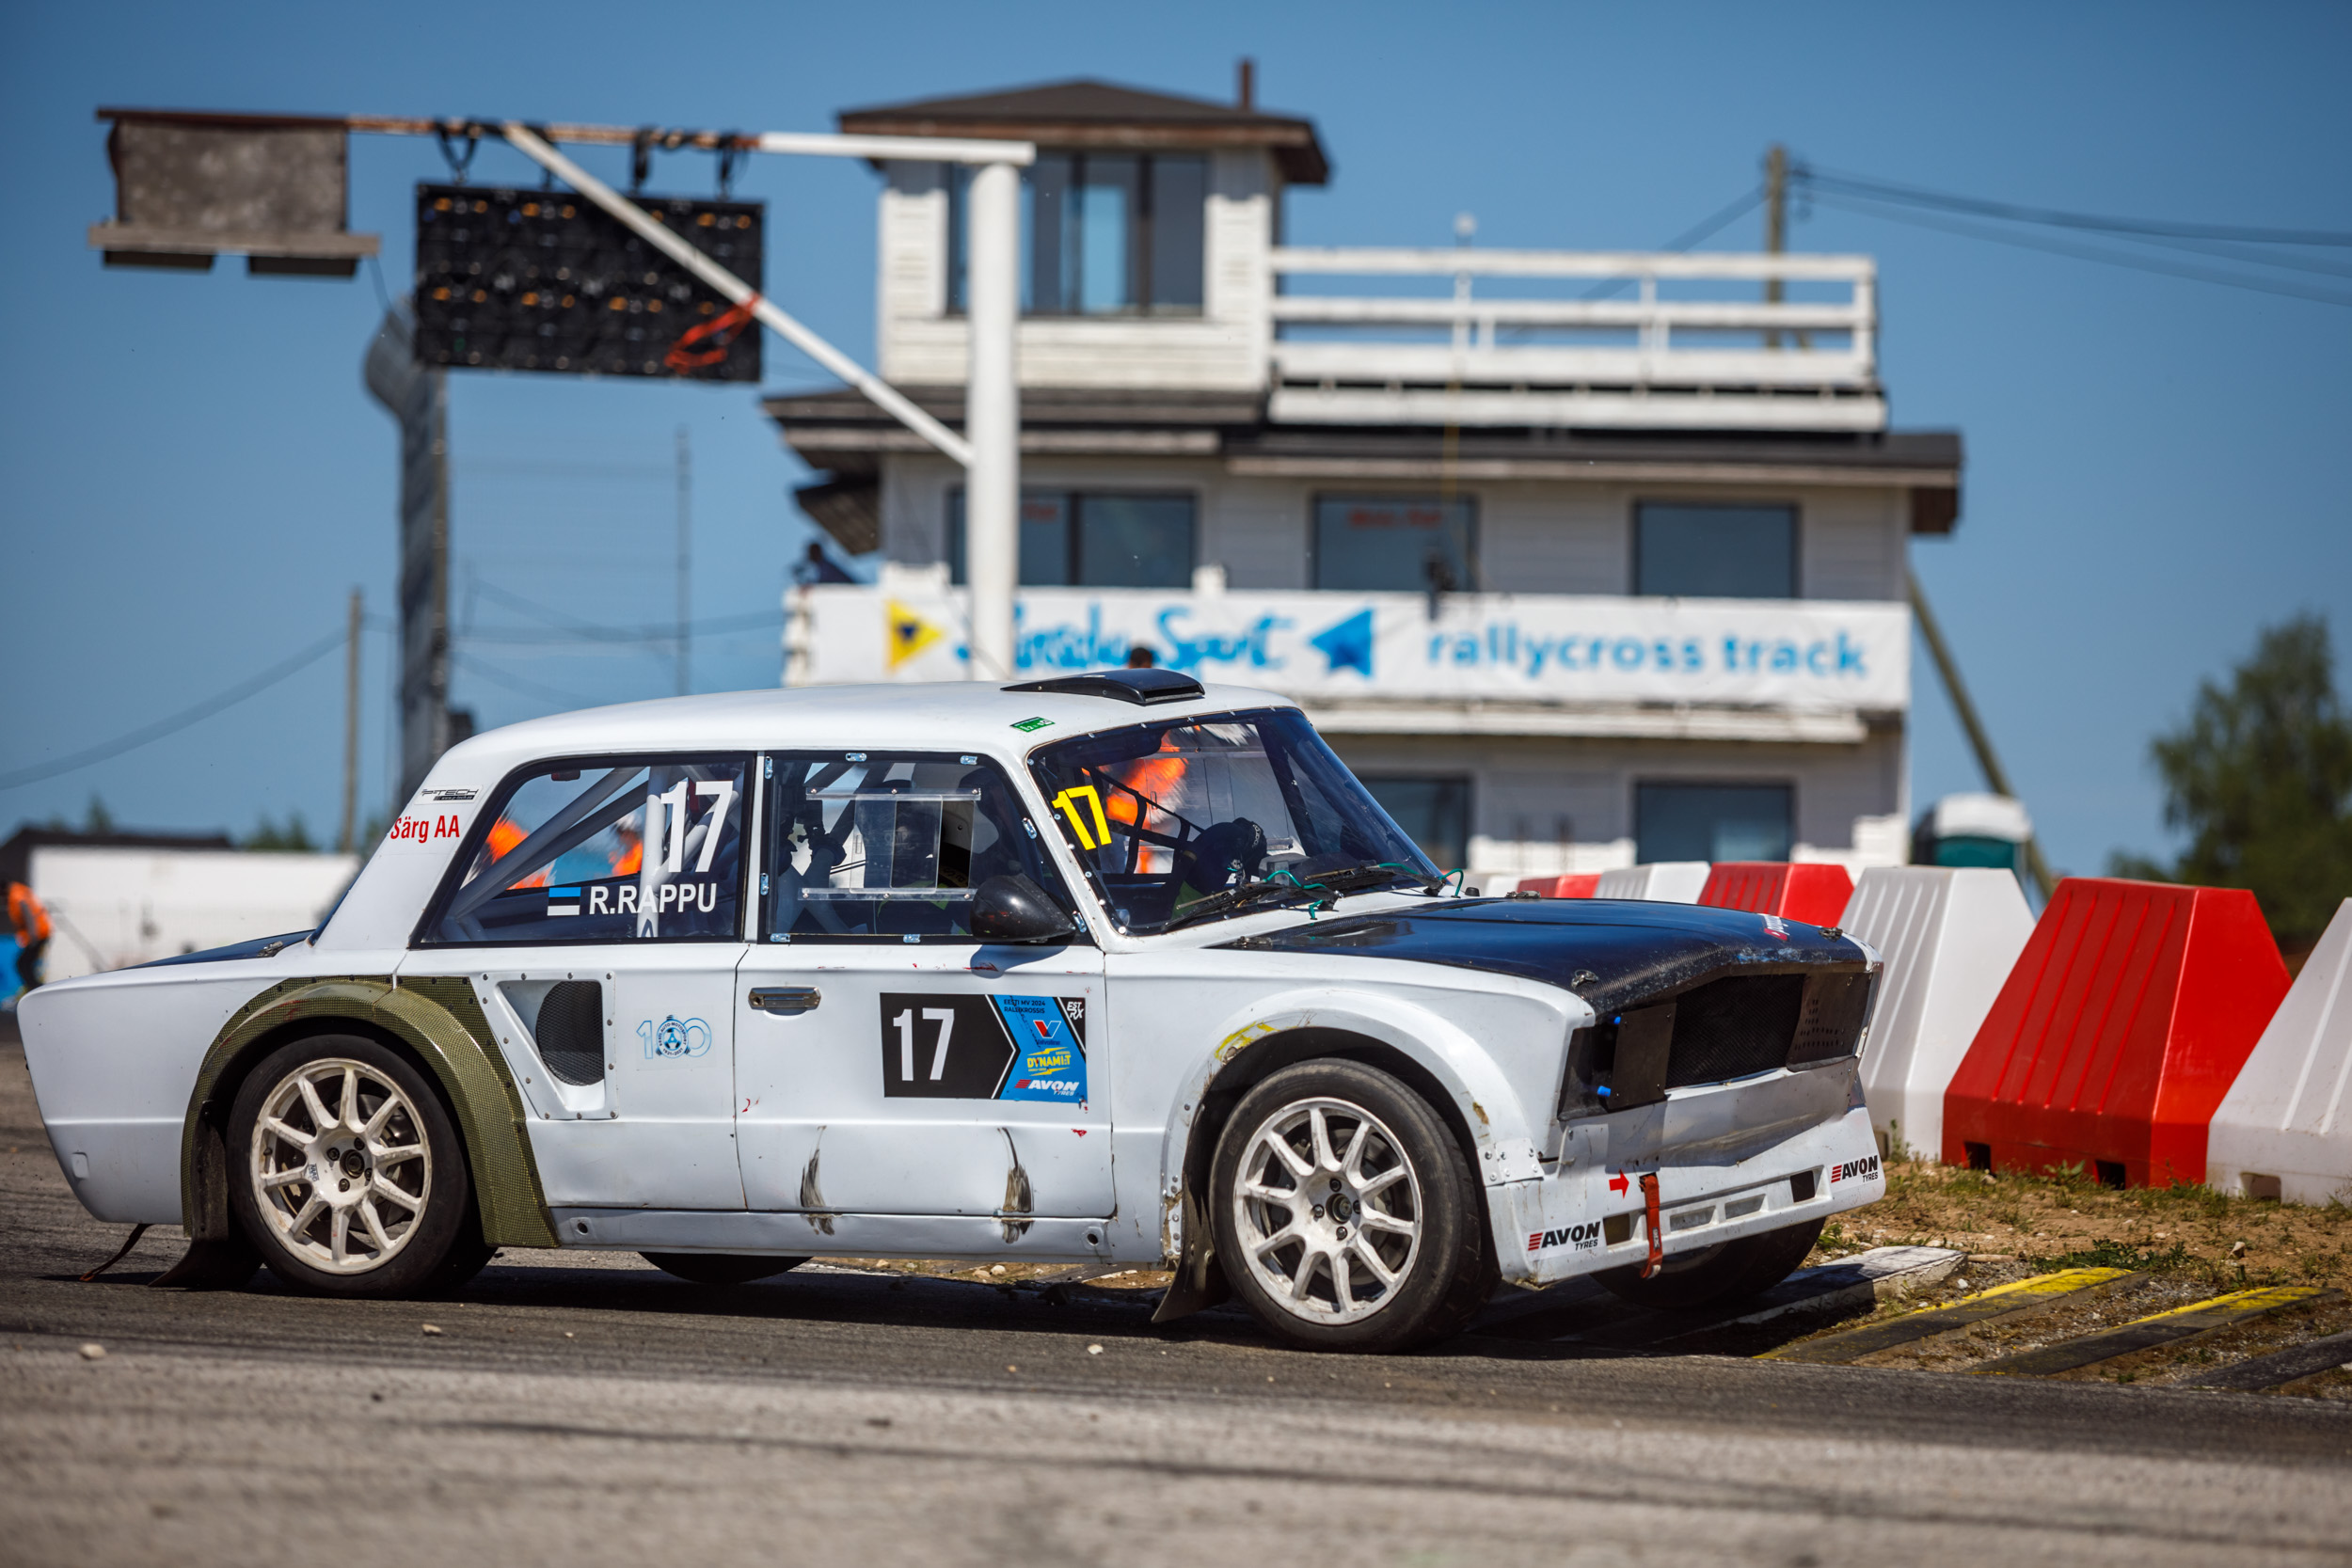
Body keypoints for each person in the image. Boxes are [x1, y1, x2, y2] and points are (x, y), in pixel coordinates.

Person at [8, 880, 52, 999]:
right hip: (41, 932)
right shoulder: (19, 890)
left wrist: (33, 937)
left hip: (37, 935)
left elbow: (28, 914)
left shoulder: (16, 895)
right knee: (26, 964)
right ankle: (35, 988)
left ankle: (35, 989)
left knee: (22, 964)